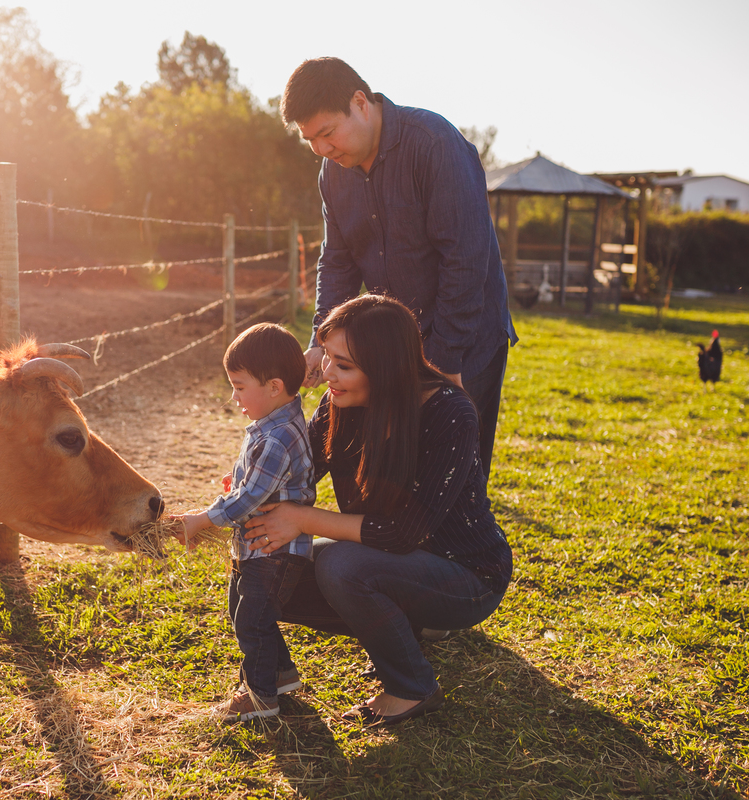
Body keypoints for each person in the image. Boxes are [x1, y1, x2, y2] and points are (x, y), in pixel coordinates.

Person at [244, 294, 512, 726]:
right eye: (328, 357)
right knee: (259, 552)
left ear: (388, 368)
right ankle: (272, 675)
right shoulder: (339, 403)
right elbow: (297, 475)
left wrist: (302, 519)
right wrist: (245, 500)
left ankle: (411, 688)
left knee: (343, 566)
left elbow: (402, 533)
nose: (327, 374)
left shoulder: (450, 414)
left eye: (343, 365)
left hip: (466, 577)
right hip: (395, 564)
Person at [280, 57, 518, 480]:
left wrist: (445, 362)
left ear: (360, 102)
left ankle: (464, 547)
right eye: (310, 140)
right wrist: (321, 340)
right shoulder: (333, 174)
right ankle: (395, 543)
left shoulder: (433, 143)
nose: (321, 149)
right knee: (399, 463)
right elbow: (337, 261)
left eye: (328, 133)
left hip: (466, 336)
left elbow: (465, 260)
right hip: (394, 341)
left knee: (457, 466)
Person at [173, 323, 316, 722]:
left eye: (238, 386)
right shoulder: (273, 426)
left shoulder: (276, 437)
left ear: (273, 386)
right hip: (258, 546)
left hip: (273, 550)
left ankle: (260, 696)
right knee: (247, 611)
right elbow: (255, 486)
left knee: (251, 619)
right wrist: (239, 484)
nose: (233, 396)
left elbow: (249, 498)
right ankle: (282, 674)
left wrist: (203, 519)